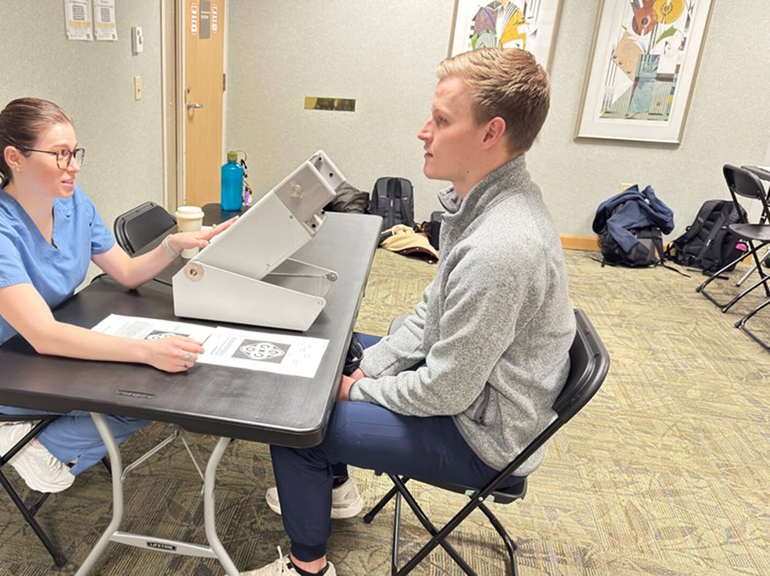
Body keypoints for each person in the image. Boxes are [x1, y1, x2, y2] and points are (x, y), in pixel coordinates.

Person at [242, 47, 575, 576]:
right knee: (333, 350)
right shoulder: (485, 204)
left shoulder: (502, 246)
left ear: (491, 133)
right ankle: (336, 490)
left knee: (297, 422)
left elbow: (447, 390)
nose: (424, 131)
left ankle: (309, 568)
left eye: (442, 121)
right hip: (473, 393)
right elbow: (429, 317)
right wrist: (364, 368)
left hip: (480, 433)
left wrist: (359, 388)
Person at [0, 97, 233, 493]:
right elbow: (42, 335)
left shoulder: (71, 201)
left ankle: (59, 439)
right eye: (60, 155)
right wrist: (146, 351)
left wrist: (173, 245)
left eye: (75, 153)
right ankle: (41, 445)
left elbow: (127, 272)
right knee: (144, 393)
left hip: (62, 338)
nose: (74, 167)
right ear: (15, 158)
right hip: (10, 365)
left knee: (153, 385)